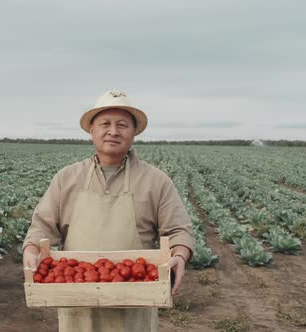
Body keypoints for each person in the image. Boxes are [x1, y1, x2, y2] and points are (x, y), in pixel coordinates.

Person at [22, 90, 195, 332]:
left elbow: (179, 230)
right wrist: (31, 250)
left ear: (134, 132)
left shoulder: (156, 180)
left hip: (135, 299)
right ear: (91, 129)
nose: (113, 131)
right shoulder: (67, 178)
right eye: (105, 124)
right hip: (76, 299)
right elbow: (42, 226)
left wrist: (180, 253)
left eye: (122, 125)